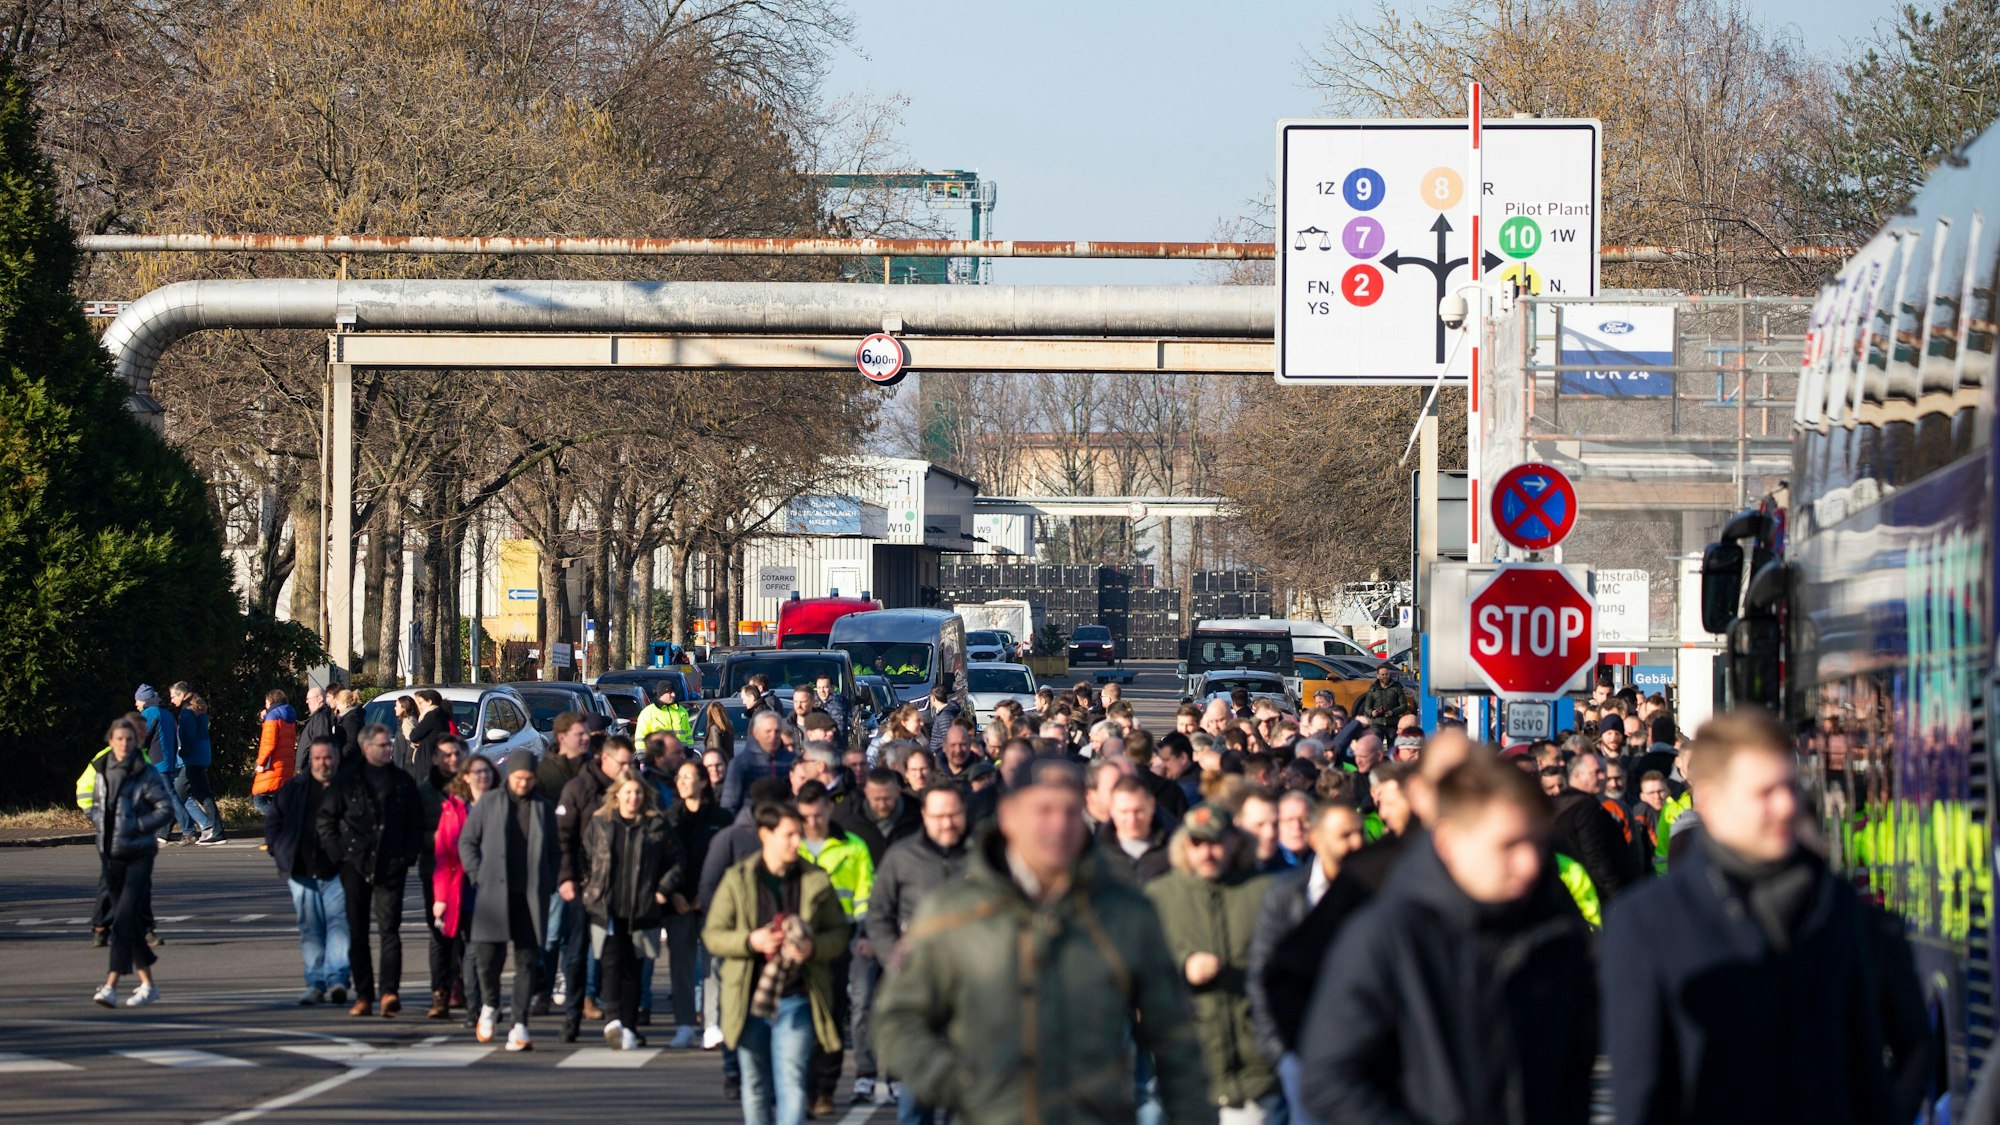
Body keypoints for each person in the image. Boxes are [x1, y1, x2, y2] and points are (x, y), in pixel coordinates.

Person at [1600, 710, 1930, 1125]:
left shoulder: (1843, 909)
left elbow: (1912, 1045)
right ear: (1714, 803)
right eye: (1764, 792)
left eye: (1791, 788)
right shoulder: (1646, 923)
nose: (1786, 805)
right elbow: (1641, 1092)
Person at [874, 764, 1211, 1125]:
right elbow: (897, 1018)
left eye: (1069, 811)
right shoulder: (954, 913)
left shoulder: (1124, 913)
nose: (1058, 825)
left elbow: (1174, 1035)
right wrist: (958, 1082)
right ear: (1008, 816)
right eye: (1043, 811)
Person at [1299, 755, 1596, 1125]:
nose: (1529, 863)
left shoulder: (1554, 930)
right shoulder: (1387, 935)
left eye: (1536, 843)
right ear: (1449, 842)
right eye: (1508, 845)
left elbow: (1576, 1058)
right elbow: (1329, 1076)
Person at [705, 802, 853, 1125]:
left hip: (797, 995)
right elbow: (713, 935)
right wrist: (750, 941)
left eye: (798, 835)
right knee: (755, 1083)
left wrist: (813, 948)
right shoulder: (738, 879)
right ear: (765, 835)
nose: (796, 843)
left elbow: (839, 932)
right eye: (788, 835)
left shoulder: (814, 879)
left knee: (793, 1081)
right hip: (748, 998)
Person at [1147, 804, 1279, 1123]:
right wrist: (1183, 967)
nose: (1207, 852)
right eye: (1197, 843)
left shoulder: (1264, 891)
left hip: (1254, 1071)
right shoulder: (1160, 896)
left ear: (1235, 842)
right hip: (1189, 1068)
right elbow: (1139, 971)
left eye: (1215, 842)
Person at [1249, 802, 1368, 1125]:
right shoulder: (1286, 894)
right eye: (1344, 836)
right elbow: (1263, 974)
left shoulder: (1378, 890)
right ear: (1317, 839)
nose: (1356, 844)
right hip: (1303, 1051)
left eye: (1359, 833)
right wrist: (1281, 1051)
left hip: (1367, 1054)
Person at [865, 783, 972, 1119]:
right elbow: (879, 913)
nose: (947, 823)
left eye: (953, 814)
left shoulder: (982, 858)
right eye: (938, 815)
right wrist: (890, 956)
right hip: (920, 987)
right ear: (924, 816)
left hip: (973, 991)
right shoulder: (902, 857)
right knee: (917, 1096)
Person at [317, 722, 425, 1017]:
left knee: (390, 930)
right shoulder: (348, 780)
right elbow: (326, 821)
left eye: (390, 744)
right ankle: (363, 995)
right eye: (383, 745)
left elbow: (416, 824)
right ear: (366, 748)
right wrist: (339, 854)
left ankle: (389, 992)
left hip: (391, 863)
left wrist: (406, 856)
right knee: (357, 931)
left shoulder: (402, 781)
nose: (389, 749)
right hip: (354, 863)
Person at [460, 749, 560, 1052]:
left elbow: (556, 851)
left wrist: (549, 880)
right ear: (509, 776)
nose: (523, 783)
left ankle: (519, 1023)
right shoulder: (490, 803)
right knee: (488, 959)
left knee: (527, 961)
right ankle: (490, 1005)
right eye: (518, 778)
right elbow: (467, 842)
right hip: (493, 895)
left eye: (529, 778)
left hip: (530, 896)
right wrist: (479, 875)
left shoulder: (543, 808)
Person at [582, 770, 685, 1051]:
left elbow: (677, 861)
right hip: (608, 906)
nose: (633, 797)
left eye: (638, 792)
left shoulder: (656, 825)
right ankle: (614, 1020)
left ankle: (629, 1026)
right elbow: (585, 857)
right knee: (612, 963)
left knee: (635, 970)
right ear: (617, 795)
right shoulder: (600, 823)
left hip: (644, 908)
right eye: (627, 792)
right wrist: (588, 889)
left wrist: (663, 890)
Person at [795, 782, 876, 1117]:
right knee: (800, 1020)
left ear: (829, 809)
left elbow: (865, 894)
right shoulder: (792, 845)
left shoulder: (853, 846)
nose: (813, 822)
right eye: (806, 816)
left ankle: (825, 1089)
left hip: (840, 943)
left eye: (818, 814)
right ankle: (804, 1089)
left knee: (831, 1018)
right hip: (798, 946)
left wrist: (862, 933)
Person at [552, 733, 635, 1039]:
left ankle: (619, 1019)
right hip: (585, 885)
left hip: (619, 886)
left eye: (631, 762)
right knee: (576, 953)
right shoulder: (579, 788)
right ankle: (572, 1017)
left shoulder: (629, 791)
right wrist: (567, 878)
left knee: (616, 956)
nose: (629, 769)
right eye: (623, 763)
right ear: (605, 759)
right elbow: (564, 839)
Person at [87, 719, 173, 1008]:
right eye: (119, 739)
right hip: (110, 852)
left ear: (135, 743)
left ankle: (110, 984)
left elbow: (165, 809)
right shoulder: (102, 770)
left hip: (139, 853)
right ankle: (149, 984)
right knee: (130, 923)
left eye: (129, 739)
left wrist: (136, 825)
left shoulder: (145, 773)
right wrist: (100, 821)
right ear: (110, 741)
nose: (124, 744)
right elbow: (96, 805)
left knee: (123, 918)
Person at [266, 737, 351, 1005]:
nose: (322, 763)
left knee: (338, 925)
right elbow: (273, 822)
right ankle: (315, 983)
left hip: (338, 870)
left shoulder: (349, 788)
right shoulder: (295, 788)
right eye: (317, 758)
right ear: (310, 760)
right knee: (311, 928)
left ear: (336, 759)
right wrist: (278, 851)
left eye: (327, 758)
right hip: (301, 870)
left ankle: (337, 980)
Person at [665, 758, 731, 1048]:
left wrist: (706, 897)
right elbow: (663, 860)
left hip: (712, 903)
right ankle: (684, 1025)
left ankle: (713, 1023)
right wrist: (674, 894)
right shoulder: (669, 819)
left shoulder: (721, 817)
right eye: (679, 777)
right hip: (678, 901)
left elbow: (727, 865)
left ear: (703, 782)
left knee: (713, 965)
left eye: (688, 776)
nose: (682, 781)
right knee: (681, 965)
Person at [432, 751, 495, 1028]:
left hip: (497, 890)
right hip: (466, 891)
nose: (483, 776)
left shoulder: (501, 806)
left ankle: (490, 1003)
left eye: (486, 772)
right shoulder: (454, 809)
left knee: (492, 951)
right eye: (477, 772)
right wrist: (441, 898)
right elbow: (443, 857)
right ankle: (475, 1008)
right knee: (470, 951)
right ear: (466, 777)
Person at [415, 735, 471, 1019]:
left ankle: (460, 985)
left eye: (457, 754)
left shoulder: (472, 787)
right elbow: (413, 833)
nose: (453, 760)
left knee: (465, 933)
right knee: (440, 934)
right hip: (436, 872)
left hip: (469, 872)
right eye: (446, 755)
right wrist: (434, 838)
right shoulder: (425, 791)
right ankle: (441, 991)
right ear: (436, 759)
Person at [136, 683, 204, 844]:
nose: (136, 704)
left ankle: (188, 830)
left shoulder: (150, 713)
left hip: (156, 762)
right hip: (167, 760)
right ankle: (160, 831)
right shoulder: (166, 714)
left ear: (144, 700)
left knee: (169, 797)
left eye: (137, 700)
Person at [168, 683, 223, 845]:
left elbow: (188, 736)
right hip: (202, 756)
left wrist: (183, 752)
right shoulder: (199, 708)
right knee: (198, 794)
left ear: (181, 695)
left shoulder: (187, 712)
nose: (171, 700)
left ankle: (210, 831)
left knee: (187, 795)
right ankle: (213, 830)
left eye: (173, 696)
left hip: (192, 758)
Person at [1098, 775, 1173, 884]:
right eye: (1124, 812)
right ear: (1112, 810)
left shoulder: (1175, 849)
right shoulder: (1097, 855)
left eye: (1138, 811)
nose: (1132, 819)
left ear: (1151, 805)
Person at [723, 712, 798, 814]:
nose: (773, 736)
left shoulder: (792, 761)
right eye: (768, 731)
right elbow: (729, 804)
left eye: (777, 731)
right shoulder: (741, 763)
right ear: (756, 733)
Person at [253, 690, 300, 818]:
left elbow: (268, 743)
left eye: (266, 703)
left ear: (270, 701)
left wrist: (259, 762)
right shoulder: (289, 716)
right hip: (285, 764)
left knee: (259, 799)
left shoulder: (272, 716)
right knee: (276, 799)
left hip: (272, 765)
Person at [538, 712, 593, 799]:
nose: (586, 737)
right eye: (580, 734)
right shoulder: (542, 772)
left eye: (587, 733)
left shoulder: (595, 767)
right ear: (562, 738)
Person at [405, 689, 452, 780]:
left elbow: (414, 735)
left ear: (429, 702)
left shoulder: (432, 715)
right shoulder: (440, 714)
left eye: (421, 702)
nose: (420, 706)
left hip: (428, 760)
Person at [636, 680, 696, 745]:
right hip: (658, 754)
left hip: (679, 753)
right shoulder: (648, 712)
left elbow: (688, 734)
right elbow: (641, 736)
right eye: (670, 692)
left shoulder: (682, 711)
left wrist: (690, 748)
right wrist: (642, 753)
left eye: (674, 692)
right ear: (661, 694)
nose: (673, 695)